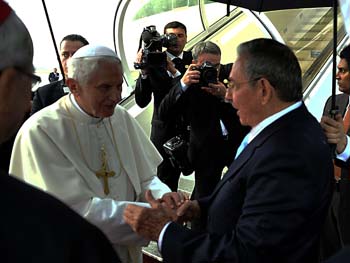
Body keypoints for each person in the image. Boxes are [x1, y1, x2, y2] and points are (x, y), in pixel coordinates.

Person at [123, 38, 334, 263]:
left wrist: (163, 232)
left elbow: (248, 254)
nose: (229, 95)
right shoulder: (282, 129)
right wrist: (198, 207)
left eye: (234, 85)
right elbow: (245, 194)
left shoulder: (288, 155)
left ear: (263, 89)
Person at [9, 43, 184, 263]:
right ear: (74, 86)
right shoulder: (41, 131)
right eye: (105, 87)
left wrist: (163, 197)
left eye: (119, 86)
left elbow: (145, 178)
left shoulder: (119, 117)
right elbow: (73, 212)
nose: (116, 96)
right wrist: (149, 214)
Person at [0, 1, 121, 262]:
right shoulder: (41, 128)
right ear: (7, 83)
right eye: (30, 80)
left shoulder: (119, 117)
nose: (27, 101)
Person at [158, 41, 249, 211]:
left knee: (245, 188)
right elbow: (163, 113)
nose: (212, 70)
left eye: (216, 65)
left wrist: (226, 95)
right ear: (194, 64)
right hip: (206, 150)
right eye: (206, 65)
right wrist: (183, 84)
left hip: (236, 144)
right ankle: (201, 230)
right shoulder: (187, 82)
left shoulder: (231, 75)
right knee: (204, 196)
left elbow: (251, 104)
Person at [134, 21, 193, 191]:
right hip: (164, 132)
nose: (175, 40)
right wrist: (143, 72)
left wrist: (174, 71)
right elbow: (142, 101)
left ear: (186, 38)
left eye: (180, 36)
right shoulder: (153, 61)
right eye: (171, 36)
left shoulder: (193, 60)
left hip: (191, 130)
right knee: (165, 184)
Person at [320, 44, 350, 260]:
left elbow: (341, 145)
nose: (337, 75)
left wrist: (344, 145)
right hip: (329, 194)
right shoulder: (335, 102)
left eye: (343, 70)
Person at [31, 34, 89, 115]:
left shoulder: (102, 92)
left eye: (76, 55)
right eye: (65, 55)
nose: (70, 60)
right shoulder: (44, 94)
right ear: (59, 58)